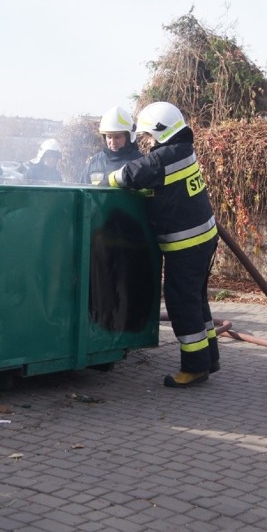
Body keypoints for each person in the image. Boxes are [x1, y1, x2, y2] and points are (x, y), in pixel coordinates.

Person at [107, 101, 219, 388]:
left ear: (160, 131)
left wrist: (106, 179)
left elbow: (130, 174)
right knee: (196, 298)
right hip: (203, 238)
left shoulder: (164, 157)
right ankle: (209, 359)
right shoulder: (183, 150)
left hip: (187, 243)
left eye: (148, 135)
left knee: (181, 301)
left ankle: (194, 367)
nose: (147, 141)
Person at [79, 106, 143, 185]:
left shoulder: (138, 162)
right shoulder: (95, 162)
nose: (113, 142)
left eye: (117, 137)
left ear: (127, 136)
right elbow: (82, 188)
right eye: (109, 137)